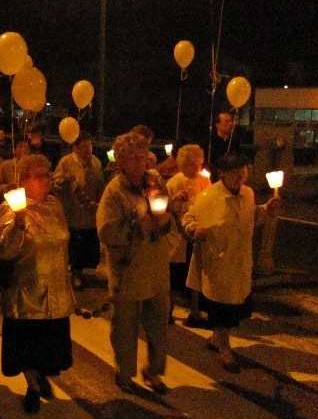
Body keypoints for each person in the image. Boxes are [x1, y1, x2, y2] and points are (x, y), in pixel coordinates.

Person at [182, 152, 280, 373]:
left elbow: (251, 219)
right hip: (218, 260)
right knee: (221, 306)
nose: (240, 177)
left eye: (243, 172)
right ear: (223, 174)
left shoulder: (248, 193)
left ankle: (217, 337)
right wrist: (194, 229)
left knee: (235, 305)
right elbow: (189, 218)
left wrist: (266, 210)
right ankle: (224, 347)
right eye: (235, 173)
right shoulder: (208, 196)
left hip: (240, 260)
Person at [96, 132, 175, 394]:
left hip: (155, 266)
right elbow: (106, 233)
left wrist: (163, 221)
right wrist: (134, 225)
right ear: (121, 162)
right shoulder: (114, 193)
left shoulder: (154, 182)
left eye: (143, 157)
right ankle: (125, 371)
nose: (142, 163)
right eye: (134, 158)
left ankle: (153, 370)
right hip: (129, 269)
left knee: (158, 322)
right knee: (125, 325)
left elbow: (166, 215)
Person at [0, 154, 75, 413]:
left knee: (48, 348)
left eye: (47, 173)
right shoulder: (11, 207)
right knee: (27, 347)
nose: (46, 179)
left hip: (55, 289)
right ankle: (32, 385)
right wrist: (18, 224)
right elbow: (5, 251)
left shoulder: (56, 205)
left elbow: (64, 240)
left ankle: (40, 375)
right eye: (39, 175)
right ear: (24, 180)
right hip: (27, 291)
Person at [165, 144, 211, 325]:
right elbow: (166, 209)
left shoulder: (204, 181)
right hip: (178, 237)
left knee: (195, 275)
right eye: (193, 164)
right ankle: (168, 311)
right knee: (176, 276)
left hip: (196, 234)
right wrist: (176, 201)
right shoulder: (174, 183)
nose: (197, 167)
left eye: (199, 163)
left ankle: (195, 311)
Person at [53, 132, 105, 289]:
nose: (88, 149)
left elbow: (100, 182)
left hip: (90, 210)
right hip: (73, 211)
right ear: (75, 148)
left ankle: (84, 269)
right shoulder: (66, 162)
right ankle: (75, 273)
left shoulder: (95, 162)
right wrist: (66, 180)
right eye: (84, 146)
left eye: (90, 146)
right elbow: (55, 184)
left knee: (89, 243)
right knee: (76, 243)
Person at [208, 112, 240, 182]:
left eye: (231, 121)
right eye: (226, 121)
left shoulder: (234, 143)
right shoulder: (210, 143)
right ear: (217, 125)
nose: (230, 124)